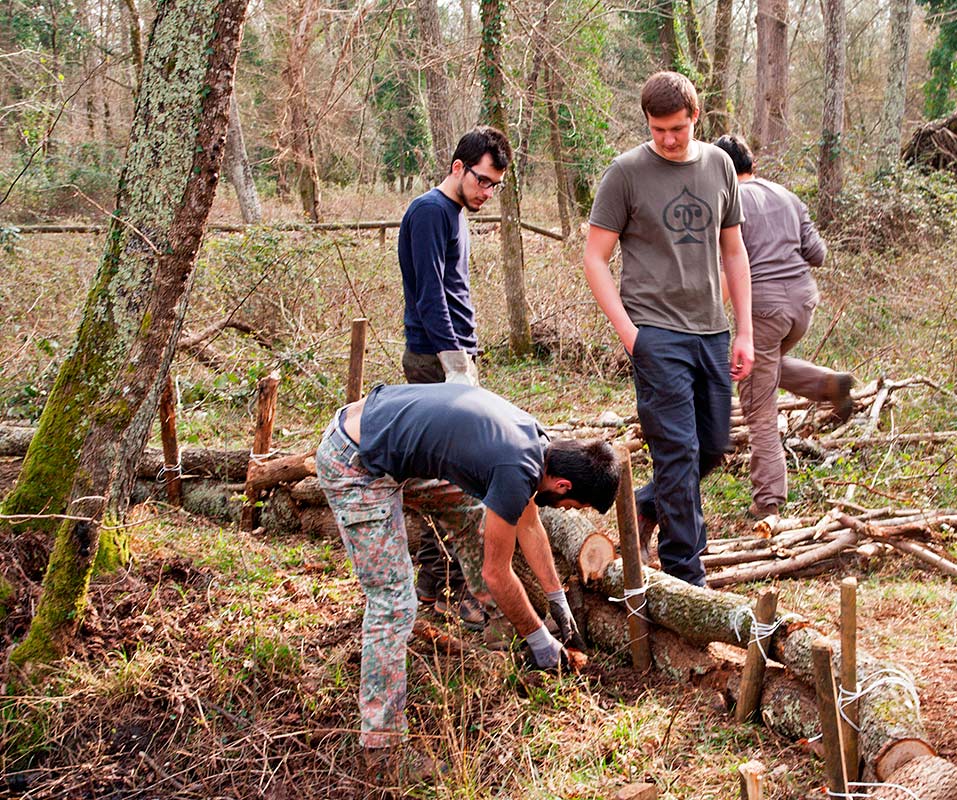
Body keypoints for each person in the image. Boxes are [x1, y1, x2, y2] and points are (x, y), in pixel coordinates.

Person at [315, 382, 619, 783]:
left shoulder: (537, 443)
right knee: (394, 603)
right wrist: (540, 640)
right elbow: (497, 571)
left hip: (383, 441)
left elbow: (529, 526)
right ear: (564, 486)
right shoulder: (517, 467)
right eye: (573, 505)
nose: (566, 509)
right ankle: (383, 752)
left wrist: (557, 598)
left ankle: (500, 635)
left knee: (475, 512)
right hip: (355, 461)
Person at [583, 71, 754, 587]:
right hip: (655, 332)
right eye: (658, 130)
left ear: (695, 118)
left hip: (711, 330)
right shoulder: (626, 174)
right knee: (677, 451)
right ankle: (686, 573)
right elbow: (594, 257)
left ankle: (643, 505)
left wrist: (743, 330)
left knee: (713, 445)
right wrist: (629, 333)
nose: (668, 139)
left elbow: (733, 251)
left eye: (677, 128)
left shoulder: (721, 166)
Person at [397, 126, 513, 629]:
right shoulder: (429, 212)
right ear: (458, 167)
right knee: (448, 479)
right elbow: (429, 297)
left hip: (457, 358)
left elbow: (455, 292)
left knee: (452, 475)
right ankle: (449, 588)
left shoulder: (458, 215)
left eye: (494, 186)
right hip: (434, 363)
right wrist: (455, 366)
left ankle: (435, 583)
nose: (487, 192)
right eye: (483, 181)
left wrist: (468, 356)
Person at [712, 134, 855, 518]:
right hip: (803, 303)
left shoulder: (727, 202)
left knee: (758, 408)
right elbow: (818, 254)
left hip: (764, 308)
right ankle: (827, 383)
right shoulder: (788, 196)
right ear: (752, 165)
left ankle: (768, 502)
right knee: (763, 364)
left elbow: (726, 264)